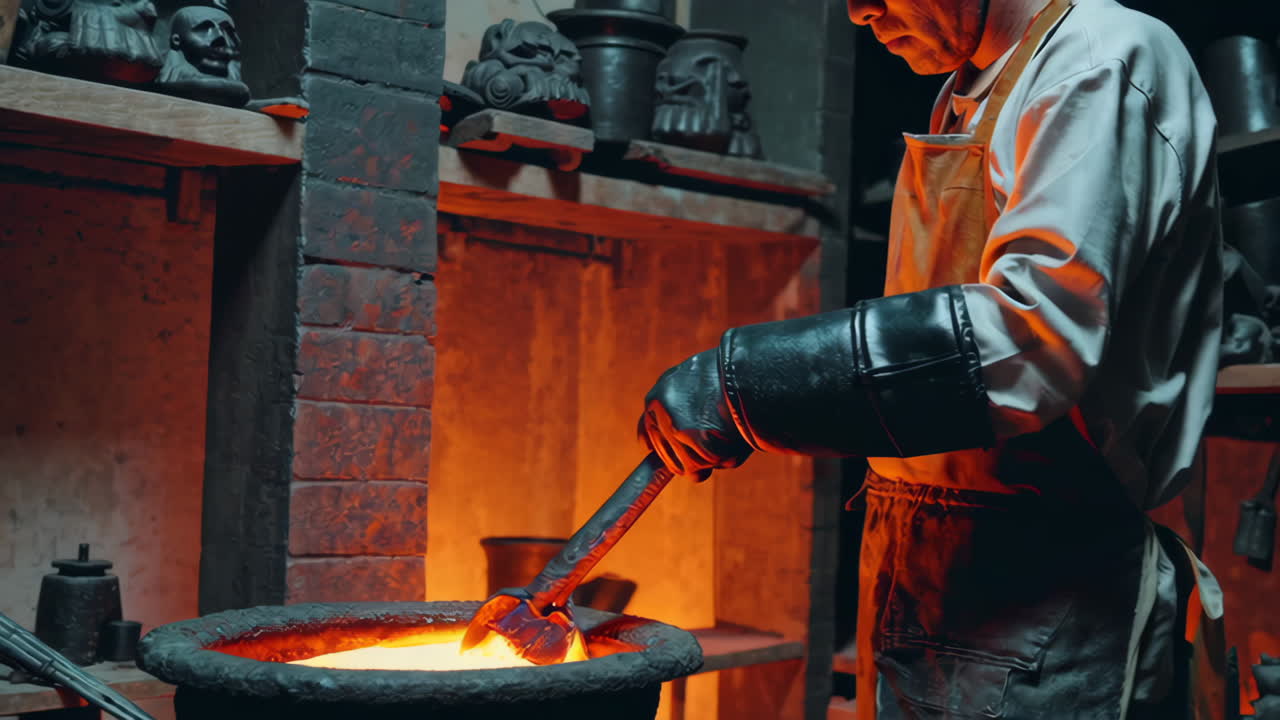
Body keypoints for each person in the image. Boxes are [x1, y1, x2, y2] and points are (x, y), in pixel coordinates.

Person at [636, 0, 1226, 717]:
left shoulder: (1099, 58)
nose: (860, 11)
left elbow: (1028, 342)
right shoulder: (967, 86)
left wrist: (745, 385)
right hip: (923, 564)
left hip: (1050, 590)